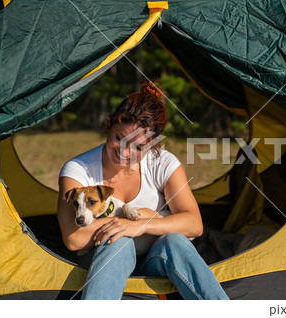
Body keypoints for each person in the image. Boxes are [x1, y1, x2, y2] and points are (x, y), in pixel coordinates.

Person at [57, 81, 229, 300]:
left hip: (153, 262)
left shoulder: (163, 164)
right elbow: (74, 239)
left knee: (175, 241)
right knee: (116, 239)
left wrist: (144, 223)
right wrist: (124, 225)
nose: (125, 152)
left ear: (152, 145)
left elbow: (194, 225)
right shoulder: (79, 169)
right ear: (110, 125)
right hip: (102, 261)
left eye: (138, 147)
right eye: (119, 138)